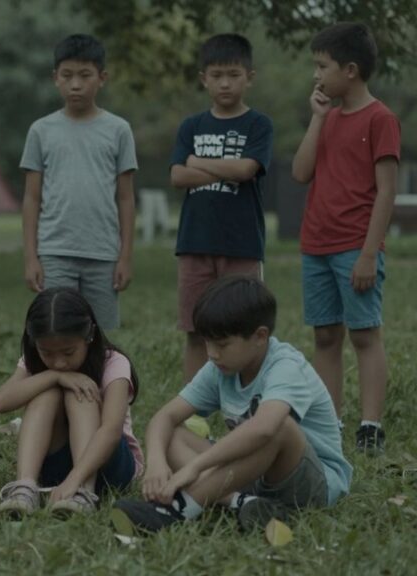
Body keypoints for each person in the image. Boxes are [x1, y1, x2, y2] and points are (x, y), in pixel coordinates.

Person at [111, 276, 352, 534]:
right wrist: (156, 461)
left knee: (279, 426)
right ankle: (244, 503)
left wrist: (195, 467)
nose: (212, 353)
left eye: (222, 344)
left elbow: (264, 429)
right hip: (254, 475)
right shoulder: (221, 367)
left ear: (260, 336)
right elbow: (165, 417)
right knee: (175, 434)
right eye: (207, 342)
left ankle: (177, 510)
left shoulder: (286, 367)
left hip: (313, 483)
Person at [291, 22, 401, 454]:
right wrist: (318, 119)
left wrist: (369, 255)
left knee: (364, 334)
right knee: (324, 337)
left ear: (350, 70)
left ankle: (370, 426)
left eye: (323, 66)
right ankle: (328, 422)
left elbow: (387, 191)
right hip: (314, 245)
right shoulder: (329, 117)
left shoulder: (380, 119)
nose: (316, 75)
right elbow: (301, 173)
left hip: (356, 246)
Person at [171, 33, 273, 388]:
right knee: (196, 330)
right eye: (216, 75)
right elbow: (178, 175)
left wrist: (199, 161)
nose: (225, 83)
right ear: (203, 79)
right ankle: (194, 413)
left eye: (233, 74)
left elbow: (248, 170)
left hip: (242, 245)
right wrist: (224, 165)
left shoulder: (258, 125)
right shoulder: (192, 126)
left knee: (244, 330)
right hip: (194, 243)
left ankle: (246, 403)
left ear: (249, 76)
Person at [21, 33, 137, 330]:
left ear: (102, 78)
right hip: (55, 251)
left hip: (103, 253)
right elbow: (32, 199)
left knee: (102, 335)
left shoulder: (119, 130)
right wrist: (31, 257)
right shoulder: (41, 131)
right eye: (67, 75)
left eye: (85, 75)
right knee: (56, 330)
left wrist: (124, 257)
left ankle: (102, 379)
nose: (75, 84)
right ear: (55, 78)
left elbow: (125, 198)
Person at [0, 288, 143, 518]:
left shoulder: (113, 362)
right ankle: (24, 487)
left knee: (80, 392)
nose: (59, 362)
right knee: (47, 392)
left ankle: (83, 492)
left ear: (90, 335)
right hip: (57, 467)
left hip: (109, 466)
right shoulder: (37, 363)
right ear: (34, 343)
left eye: (68, 352)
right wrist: (53, 377)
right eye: (47, 353)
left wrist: (75, 478)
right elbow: (2, 402)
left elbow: (111, 431)